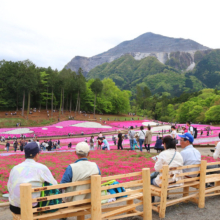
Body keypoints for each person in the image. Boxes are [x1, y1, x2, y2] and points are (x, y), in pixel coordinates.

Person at [7, 142, 57, 215]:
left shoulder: (15, 168)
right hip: (31, 208)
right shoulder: (41, 168)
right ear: (36, 155)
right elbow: (55, 185)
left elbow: (9, 186)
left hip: (14, 207)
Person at [60, 142, 100, 206]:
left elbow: (63, 186)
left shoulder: (71, 167)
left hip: (74, 201)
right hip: (91, 198)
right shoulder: (95, 166)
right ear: (89, 153)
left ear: (75, 153)